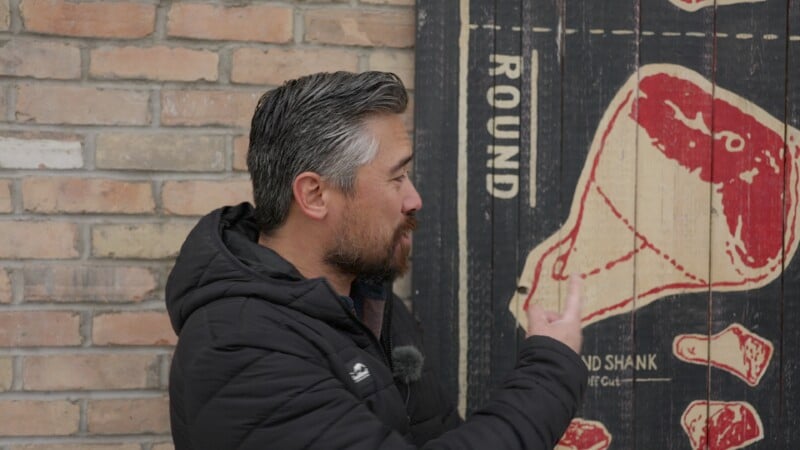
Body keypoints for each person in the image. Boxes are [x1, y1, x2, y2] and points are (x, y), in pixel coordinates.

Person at [166, 71, 588, 449]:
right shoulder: (238, 352)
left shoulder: (368, 301)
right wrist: (550, 370)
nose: (414, 198)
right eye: (396, 177)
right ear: (314, 195)